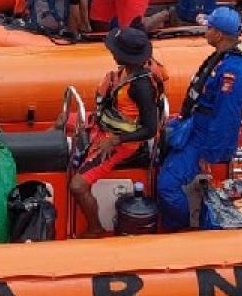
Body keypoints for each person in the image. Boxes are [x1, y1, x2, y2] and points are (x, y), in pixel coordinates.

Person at [62, 27, 168, 237]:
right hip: (107, 121)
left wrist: (115, 141)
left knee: (77, 185)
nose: (112, 53)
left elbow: (150, 128)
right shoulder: (130, 70)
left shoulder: (141, 87)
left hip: (122, 141)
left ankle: (95, 228)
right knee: (63, 119)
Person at [156, 7, 242, 230]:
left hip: (204, 136)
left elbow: (226, 118)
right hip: (194, 123)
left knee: (167, 186)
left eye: (209, 28)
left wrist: (209, 155)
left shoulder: (234, 71)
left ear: (219, 34)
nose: (205, 31)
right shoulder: (224, 54)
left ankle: (178, 228)